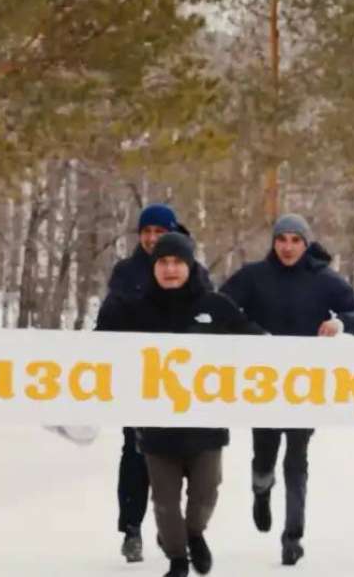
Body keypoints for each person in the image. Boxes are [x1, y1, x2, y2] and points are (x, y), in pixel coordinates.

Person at [97, 233, 261, 577]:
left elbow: (252, 340)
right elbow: (103, 346)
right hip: (156, 427)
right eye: (163, 262)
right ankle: (177, 559)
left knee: (205, 495)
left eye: (177, 262)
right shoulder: (135, 308)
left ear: (190, 265)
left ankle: (194, 535)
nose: (170, 269)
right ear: (154, 267)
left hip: (206, 425)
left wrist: (274, 345)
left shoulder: (215, 306)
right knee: (165, 503)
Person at [220, 214, 354, 566]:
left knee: (296, 458)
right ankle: (261, 491)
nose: (288, 247)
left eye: (295, 240)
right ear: (273, 242)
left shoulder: (323, 279)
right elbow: (219, 307)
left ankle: (293, 536)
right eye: (282, 239)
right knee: (264, 455)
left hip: (305, 386)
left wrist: (340, 322)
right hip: (262, 384)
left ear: (306, 244)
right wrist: (251, 332)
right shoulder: (254, 276)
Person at [105, 203, 212, 563]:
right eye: (146, 232)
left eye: (159, 232)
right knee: (136, 453)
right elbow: (109, 323)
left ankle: (172, 530)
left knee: (177, 457)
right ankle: (131, 528)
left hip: (181, 381)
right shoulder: (126, 272)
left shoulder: (193, 270)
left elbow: (212, 319)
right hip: (137, 377)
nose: (152, 238)